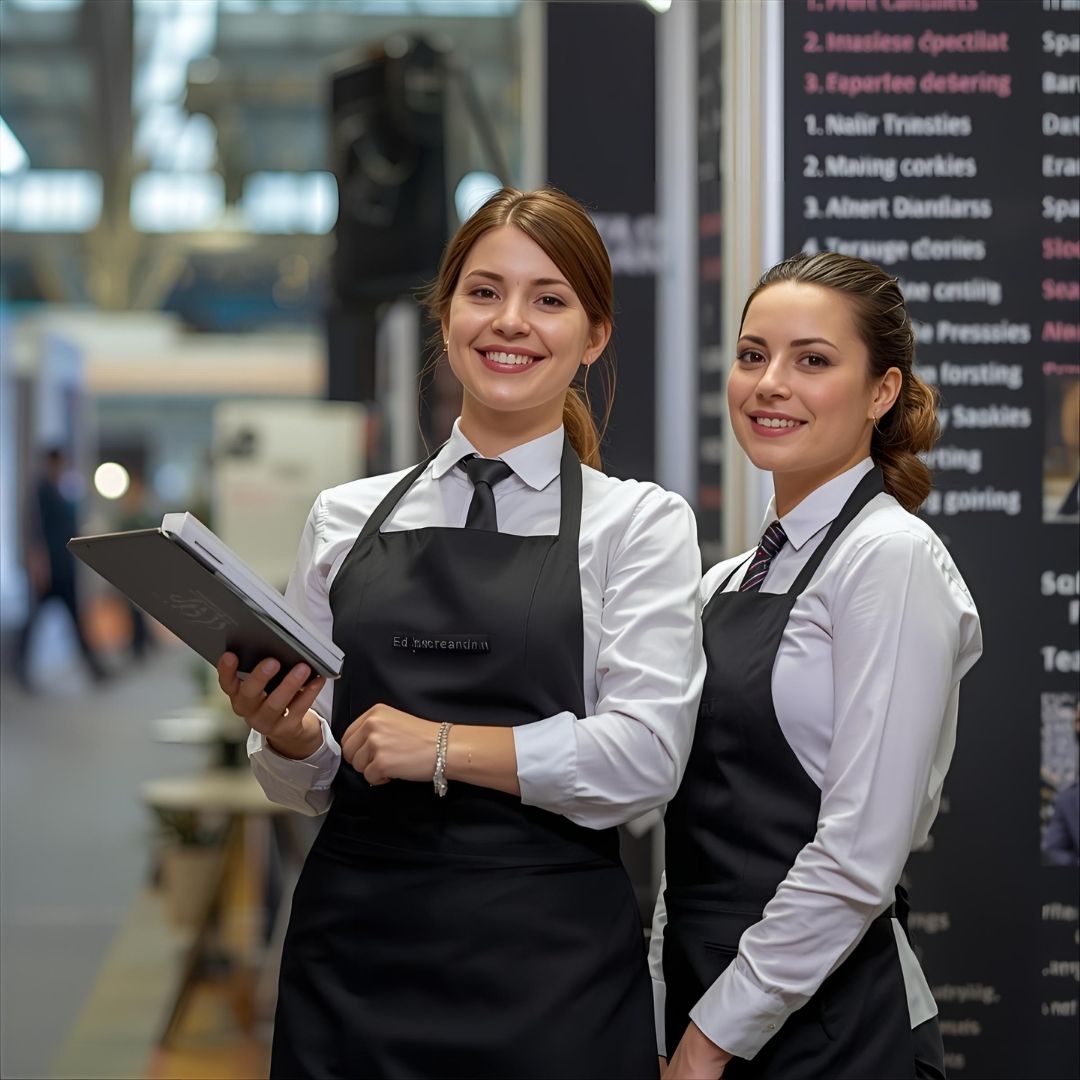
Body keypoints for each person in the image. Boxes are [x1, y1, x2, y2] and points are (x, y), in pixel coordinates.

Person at [217, 186, 705, 1079]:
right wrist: (285, 734)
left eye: (548, 299)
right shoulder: (343, 517)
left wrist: (441, 745)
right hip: (354, 961)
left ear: (594, 337)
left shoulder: (638, 525)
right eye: (484, 292)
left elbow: (646, 758)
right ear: (446, 319)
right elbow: (313, 777)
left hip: (551, 970)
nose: (510, 321)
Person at [651, 252, 983, 1079]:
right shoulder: (724, 582)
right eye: (753, 354)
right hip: (703, 1000)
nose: (770, 384)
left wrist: (708, 1041)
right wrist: (664, 1002)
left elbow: (858, 858)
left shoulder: (891, 559)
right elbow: (687, 848)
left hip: (832, 1030)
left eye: (812, 361)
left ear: (881, 392)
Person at [18, 447, 109, 688]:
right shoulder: (41, 492)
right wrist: (38, 564)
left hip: (64, 568)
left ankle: (95, 668)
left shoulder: (62, 491)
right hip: (50, 571)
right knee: (33, 623)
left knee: (76, 621)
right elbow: (35, 531)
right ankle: (19, 670)